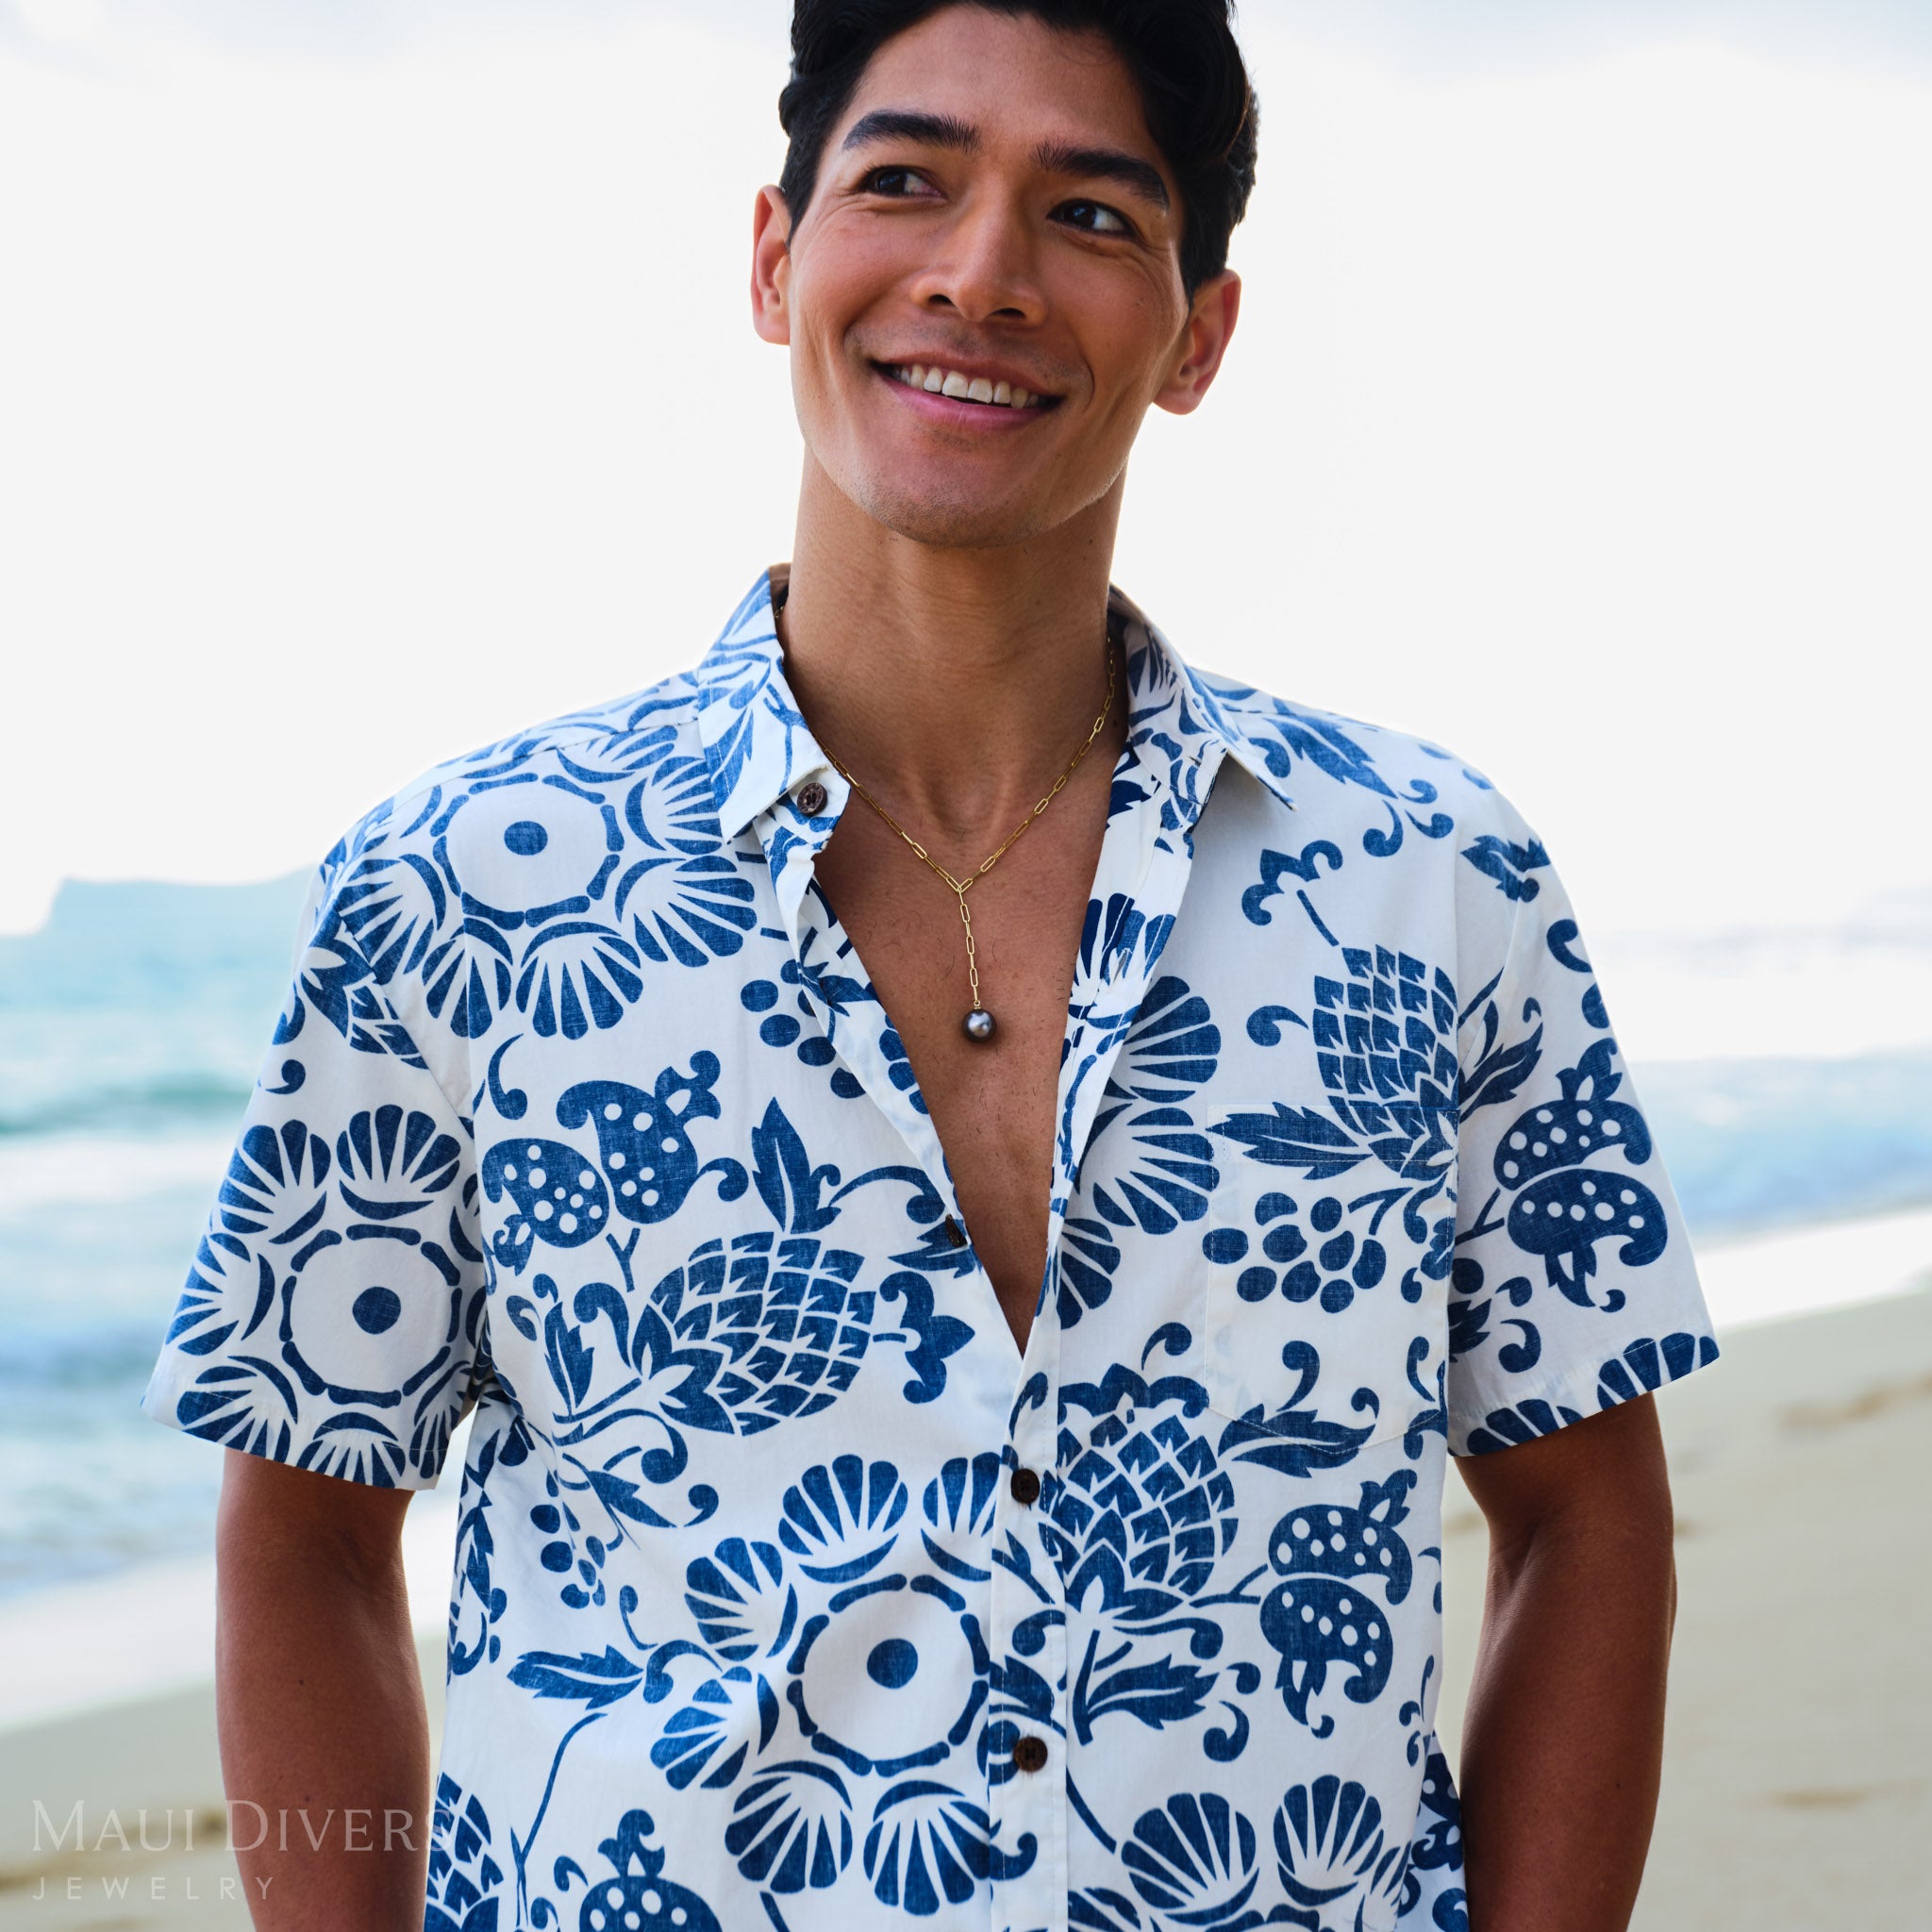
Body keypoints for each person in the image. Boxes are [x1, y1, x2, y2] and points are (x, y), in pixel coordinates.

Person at [139, 4, 1718, 1927]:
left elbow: (1584, 1514)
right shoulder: (467, 884)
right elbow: (304, 1527)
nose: (980, 276)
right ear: (772, 256)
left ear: (1199, 334)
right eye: (904, 182)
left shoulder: (1429, 876)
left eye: (1091, 217)